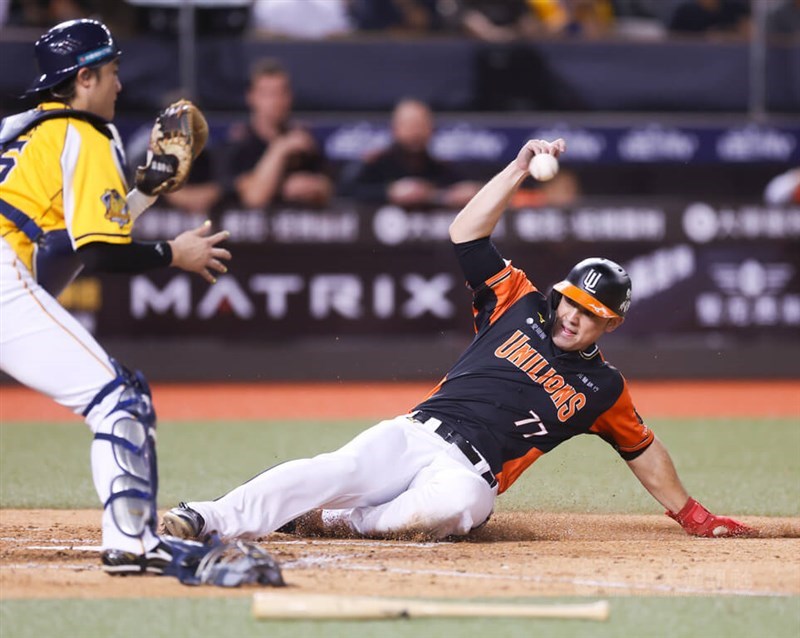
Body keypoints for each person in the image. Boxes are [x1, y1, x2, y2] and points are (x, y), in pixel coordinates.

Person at [162, 138, 756, 543]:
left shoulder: (603, 389)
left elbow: (643, 451)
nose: (573, 317)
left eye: (590, 313)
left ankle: (343, 525)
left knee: (459, 509)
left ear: (612, 324)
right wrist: (520, 166)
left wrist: (693, 516)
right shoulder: (519, 300)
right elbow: (466, 232)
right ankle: (206, 516)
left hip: (471, 475)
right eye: (571, 302)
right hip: (417, 433)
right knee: (329, 468)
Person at [0, 19, 233, 577]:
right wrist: (173, 254)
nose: (119, 86)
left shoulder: (17, 128)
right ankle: (133, 543)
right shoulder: (86, 131)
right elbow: (100, 252)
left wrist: (144, 193)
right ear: (84, 78)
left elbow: (55, 253)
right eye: (112, 72)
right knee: (119, 400)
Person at [216, 58, 333, 209]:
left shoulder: (304, 142)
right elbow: (255, 197)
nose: (276, 101)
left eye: (281, 93)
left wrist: (314, 187)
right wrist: (280, 149)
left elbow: (328, 187)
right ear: (252, 97)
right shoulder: (238, 145)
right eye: (268, 94)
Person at [339, 98, 481, 209]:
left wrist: (448, 196)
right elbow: (344, 192)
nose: (416, 132)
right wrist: (388, 193)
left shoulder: (439, 167)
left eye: (421, 125)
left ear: (432, 130)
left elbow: (463, 189)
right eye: (410, 125)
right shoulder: (375, 163)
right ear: (395, 129)